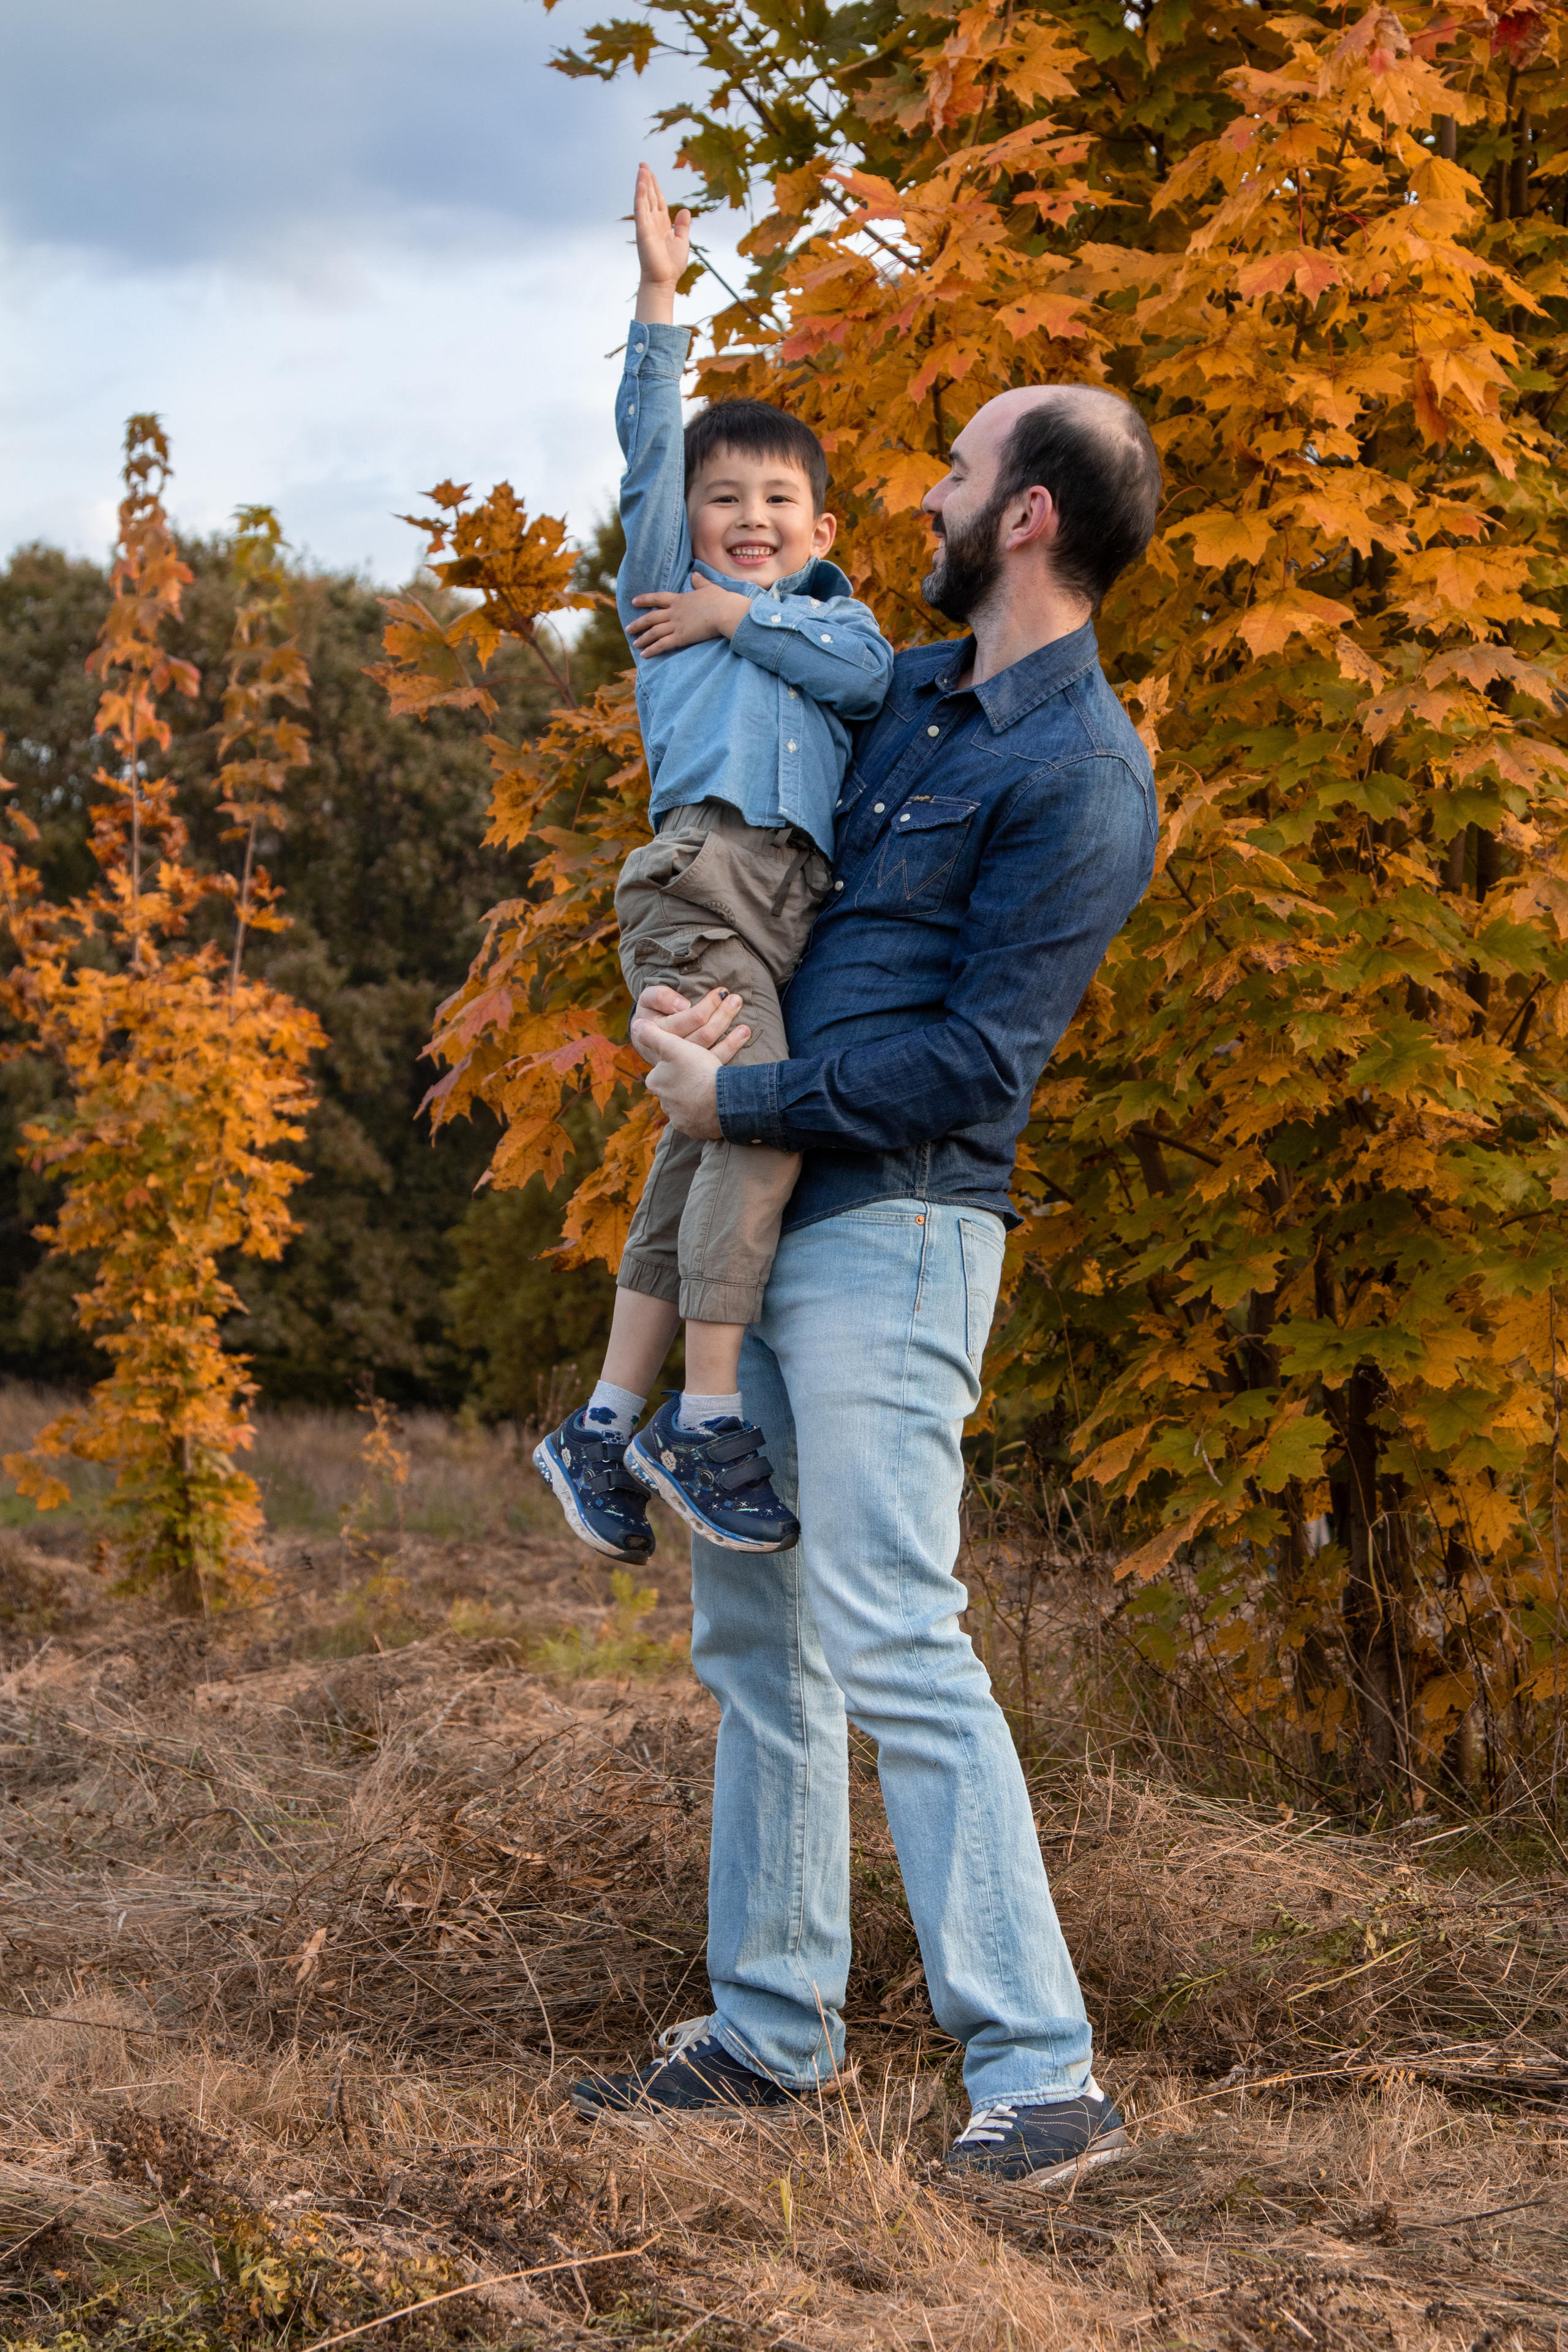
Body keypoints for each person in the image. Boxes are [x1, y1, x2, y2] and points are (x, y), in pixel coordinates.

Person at [569, 371, 1166, 2192]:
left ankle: (1043, 2068)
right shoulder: (907, 695)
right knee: (759, 1638)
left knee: (897, 1632)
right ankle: (771, 2032)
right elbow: (769, 868)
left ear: (1031, 517)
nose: (926, 494)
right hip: (783, 1208)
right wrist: (696, 1009)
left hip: (900, 1228)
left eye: (962, 469)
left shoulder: (1081, 774)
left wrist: (737, 1089)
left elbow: (980, 1065)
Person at [533, 164, 893, 1566]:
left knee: (704, 1134)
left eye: (779, 500)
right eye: (723, 497)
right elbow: (642, 450)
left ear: (820, 530)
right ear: (683, 521)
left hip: (776, 906)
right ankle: (703, 1409)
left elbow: (860, 679)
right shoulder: (657, 602)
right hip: (704, 878)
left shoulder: (826, 626)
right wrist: (659, 299)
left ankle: (607, 1419)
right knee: (758, 1119)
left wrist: (742, 617)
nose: (749, 515)